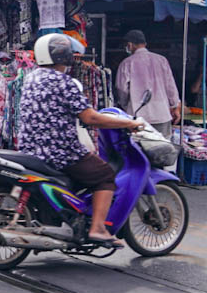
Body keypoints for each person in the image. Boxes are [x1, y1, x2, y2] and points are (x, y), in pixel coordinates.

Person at [20, 33, 144, 244]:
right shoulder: (64, 82)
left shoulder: (31, 78)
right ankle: (97, 228)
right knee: (104, 174)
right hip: (59, 151)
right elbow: (90, 117)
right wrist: (129, 123)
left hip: (30, 149)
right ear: (64, 56)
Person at [115, 30, 181, 136]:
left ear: (129, 45)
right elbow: (171, 87)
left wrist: (125, 105)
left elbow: (121, 88)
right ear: (145, 44)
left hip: (137, 116)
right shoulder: (162, 60)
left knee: (139, 148)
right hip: (161, 114)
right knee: (163, 149)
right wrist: (175, 106)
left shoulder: (127, 63)